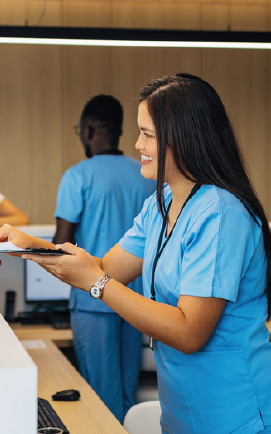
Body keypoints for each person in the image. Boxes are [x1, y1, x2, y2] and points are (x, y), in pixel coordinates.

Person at [0, 74, 271, 433]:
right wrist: (27, 246)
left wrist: (97, 283)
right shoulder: (159, 205)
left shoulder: (221, 213)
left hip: (238, 414)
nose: (136, 143)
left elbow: (190, 332)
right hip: (183, 413)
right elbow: (103, 266)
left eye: (147, 134)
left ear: (183, 138)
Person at [53, 94, 155, 422]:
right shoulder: (144, 174)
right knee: (127, 396)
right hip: (133, 302)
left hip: (92, 301)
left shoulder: (77, 176)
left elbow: (61, 247)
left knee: (100, 398)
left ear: (88, 131)